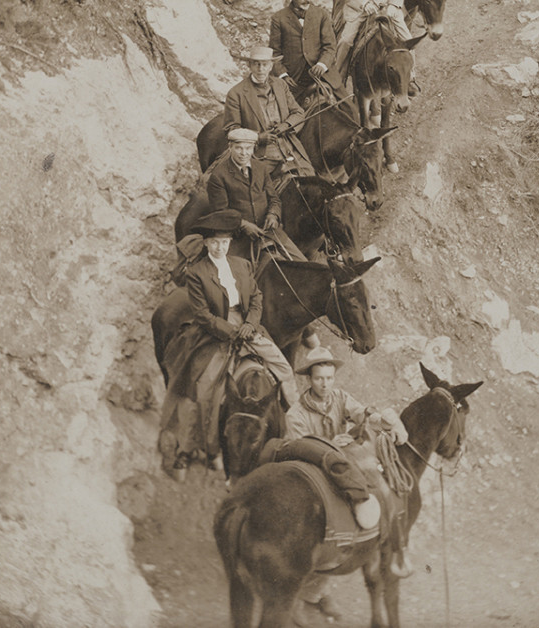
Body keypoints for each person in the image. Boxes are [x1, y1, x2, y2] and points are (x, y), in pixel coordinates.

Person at [159, 210, 299, 472]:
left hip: (248, 327)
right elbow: (202, 315)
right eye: (214, 243)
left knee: (284, 370)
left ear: (229, 243)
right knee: (206, 390)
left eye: (224, 242)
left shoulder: (241, 265)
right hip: (216, 331)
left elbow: (256, 298)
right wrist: (232, 332)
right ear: (207, 244)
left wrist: (250, 325)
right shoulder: (198, 273)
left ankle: (293, 431)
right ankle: (210, 448)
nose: (220, 247)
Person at [286, 347, 411, 624]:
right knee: (323, 525)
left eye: (329, 378)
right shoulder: (295, 413)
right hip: (313, 471)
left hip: (341, 465)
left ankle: (393, 546)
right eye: (319, 379)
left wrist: (381, 420)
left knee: (376, 485)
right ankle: (304, 596)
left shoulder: (339, 397)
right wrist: (332, 444)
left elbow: (360, 413)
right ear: (309, 379)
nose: (325, 384)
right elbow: (298, 448)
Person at [206, 128, 306, 264]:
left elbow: (274, 199)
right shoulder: (219, 175)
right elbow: (220, 213)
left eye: (248, 148)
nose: (244, 153)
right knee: (241, 279)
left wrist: (273, 215)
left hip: (269, 231)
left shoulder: (261, 168)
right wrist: (244, 224)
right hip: (240, 239)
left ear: (254, 148)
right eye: (239, 148)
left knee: (303, 264)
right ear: (230, 147)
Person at [223, 45, 314, 178]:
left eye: (265, 64)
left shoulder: (280, 85)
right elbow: (231, 130)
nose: (261, 69)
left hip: (289, 149)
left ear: (271, 66)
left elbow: (298, 112)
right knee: (256, 192)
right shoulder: (236, 93)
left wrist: (286, 125)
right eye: (256, 64)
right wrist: (258, 137)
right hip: (259, 155)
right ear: (250, 66)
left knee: (311, 181)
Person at [269, 0, 348, 106]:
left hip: (322, 73)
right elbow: (274, 53)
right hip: (294, 78)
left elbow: (330, 46)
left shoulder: (321, 14)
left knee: (350, 109)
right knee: (281, 116)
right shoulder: (278, 19)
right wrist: (283, 75)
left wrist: (322, 64)